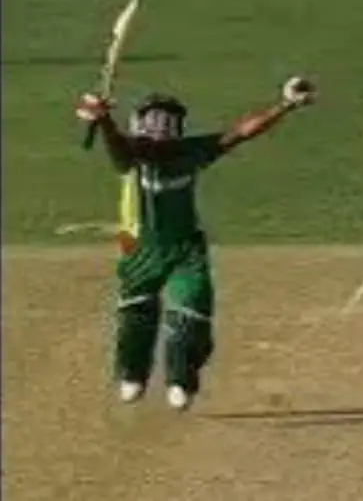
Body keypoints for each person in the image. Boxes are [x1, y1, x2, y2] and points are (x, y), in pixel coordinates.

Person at [74, 76, 317, 410]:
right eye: (153, 121)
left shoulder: (192, 152)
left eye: (166, 122)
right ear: (140, 126)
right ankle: (133, 374)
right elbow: (119, 151)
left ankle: (180, 380)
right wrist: (103, 121)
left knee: (191, 314)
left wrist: (286, 105)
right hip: (137, 246)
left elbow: (244, 132)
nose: (159, 127)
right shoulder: (133, 154)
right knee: (135, 316)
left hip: (185, 248)